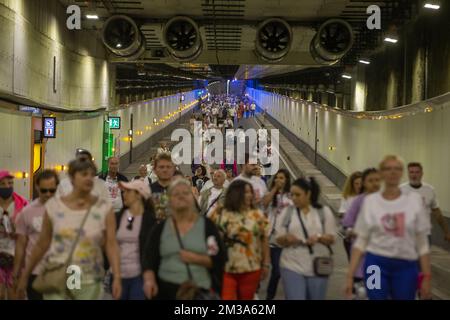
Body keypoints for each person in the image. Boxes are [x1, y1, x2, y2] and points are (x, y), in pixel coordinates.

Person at [16, 159, 122, 300]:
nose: (89, 178)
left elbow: (111, 243)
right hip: (57, 275)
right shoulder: (55, 207)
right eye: (84, 174)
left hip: (88, 279)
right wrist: (24, 276)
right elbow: (42, 244)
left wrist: (117, 276)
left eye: (92, 174)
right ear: (72, 178)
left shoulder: (104, 208)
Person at [345, 155, 432, 300]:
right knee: (375, 297)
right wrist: (349, 276)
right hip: (375, 264)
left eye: (397, 169)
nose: (392, 172)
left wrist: (427, 277)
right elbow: (361, 242)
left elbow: (422, 244)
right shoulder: (371, 202)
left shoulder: (414, 201)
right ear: (382, 173)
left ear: (402, 172)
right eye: (387, 169)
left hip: (405, 265)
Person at [142, 178, 226, 300]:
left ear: (193, 198)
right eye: (176, 194)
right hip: (165, 292)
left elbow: (220, 259)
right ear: (169, 200)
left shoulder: (207, 226)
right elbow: (148, 259)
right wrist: (149, 279)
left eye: (186, 193)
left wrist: (196, 258)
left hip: (199, 291)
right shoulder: (160, 229)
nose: (181, 196)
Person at [275, 177, 336, 300]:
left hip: (318, 265)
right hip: (291, 264)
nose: (294, 198)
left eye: (298, 195)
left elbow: (331, 238)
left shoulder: (323, 212)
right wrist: (287, 238)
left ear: (308, 193)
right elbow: (278, 238)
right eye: (292, 195)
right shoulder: (287, 212)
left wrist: (319, 237)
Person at [209, 180, 270, 300]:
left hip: (250, 267)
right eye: (246, 192)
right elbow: (210, 236)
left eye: (250, 192)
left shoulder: (257, 215)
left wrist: (266, 263)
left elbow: (264, 240)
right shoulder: (219, 212)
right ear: (236, 193)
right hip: (225, 268)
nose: (250, 195)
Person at [12, 170, 59, 300]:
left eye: (52, 190)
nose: (48, 194)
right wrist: (16, 273)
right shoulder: (26, 213)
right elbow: (21, 245)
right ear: (37, 187)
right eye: (44, 190)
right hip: (34, 272)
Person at [341, 168, 381, 297]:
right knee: (361, 291)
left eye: (377, 180)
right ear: (365, 183)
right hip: (361, 254)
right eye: (370, 181)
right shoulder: (358, 201)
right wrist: (352, 231)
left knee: (374, 291)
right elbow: (346, 224)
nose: (374, 184)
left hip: (379, 255)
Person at [115, 180, 156, 300]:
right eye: (123, 191)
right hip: (118, 274)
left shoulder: (150, 221)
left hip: (139, 276)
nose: (124, 194)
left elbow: (151, 252)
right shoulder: (117, 217)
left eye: (128, 191)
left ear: (139, 195)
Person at [261, 169, 292, 300]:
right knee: (277, 270)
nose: (279, 180)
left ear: (287, 181)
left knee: (284, 271)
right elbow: (264, 203)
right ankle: (269, 296)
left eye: (282, 178)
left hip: (286, 238)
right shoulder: (271, 194)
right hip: (272, 239)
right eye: (277, 178)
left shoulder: (291, 197)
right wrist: (274, 189)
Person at [400, 162, 450, 243]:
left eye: (417, 172)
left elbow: (437, 213)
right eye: (411, 172)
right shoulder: (401, 190)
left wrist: (446, 231)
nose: (414, 175)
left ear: (422, 174)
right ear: (408, 174)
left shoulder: (429, 190)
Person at [0, 170, 28, 300]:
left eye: (10, 183)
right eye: (3, 184)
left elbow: (30, 230)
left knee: (14, 294)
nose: (7, 186)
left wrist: (17, 227)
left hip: (16, 256)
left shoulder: (22, 204)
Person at [339, 171, 362, 259]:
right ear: (352, 185)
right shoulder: (347, 197)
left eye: (361, 183)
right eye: (356, 183)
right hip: (350, 236)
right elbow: (343, 214)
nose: (359, 186)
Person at [151, 153, 175, 221]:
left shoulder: (182, 191)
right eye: (161, 167)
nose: (165, 170)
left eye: (168, 167)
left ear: (173, 169)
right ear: (155, 170)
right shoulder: (147, 191)